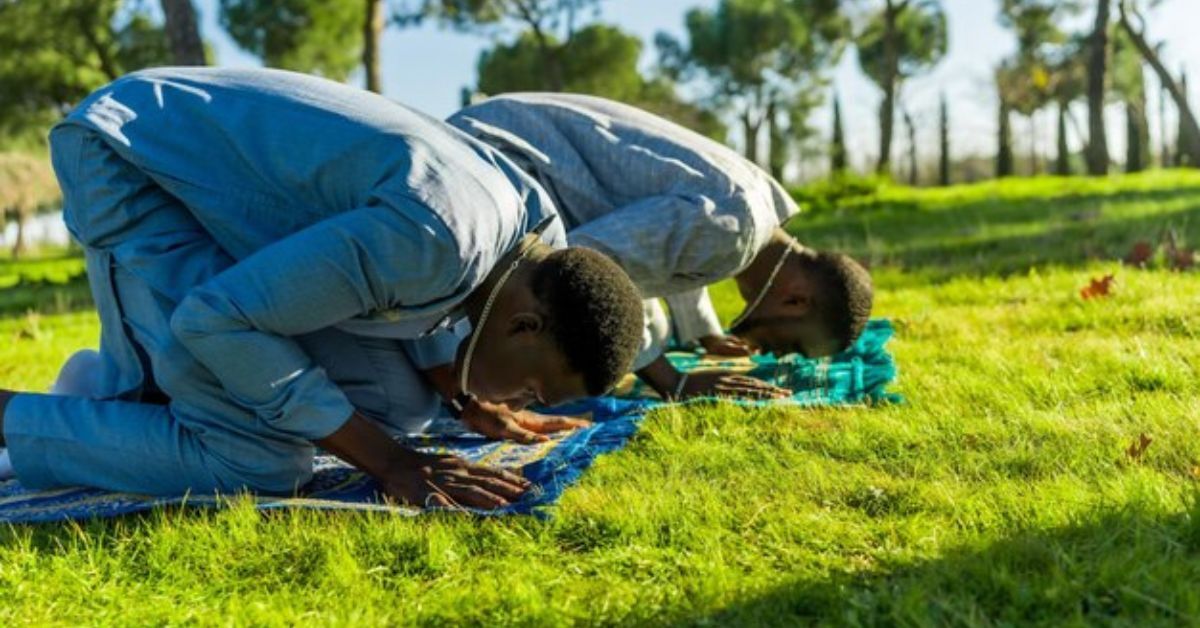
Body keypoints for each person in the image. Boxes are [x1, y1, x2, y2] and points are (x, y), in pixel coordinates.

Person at [0, 68, 644, 510]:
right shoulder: (436, 241)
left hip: (184, 164)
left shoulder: (535, 239)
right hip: (133, 161)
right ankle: (38, 412)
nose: (520, 401)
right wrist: (391, 464)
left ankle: (114, 395)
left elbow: (412, 292)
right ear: (525, 326)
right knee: (259, 463)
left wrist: (462, 397)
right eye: (532, 386)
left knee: (396, 404)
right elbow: (215, 321)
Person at [447, 93, 874, 400]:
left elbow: (673, 251)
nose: (778, 353)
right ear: (797, 300)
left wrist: (702, 332)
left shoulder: (756, 206)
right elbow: (587, 263)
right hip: (492, 157)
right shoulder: (731, 229)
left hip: (499, 137)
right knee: (450, 378)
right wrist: (672, 380)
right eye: (792, 347)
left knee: (655, 331)